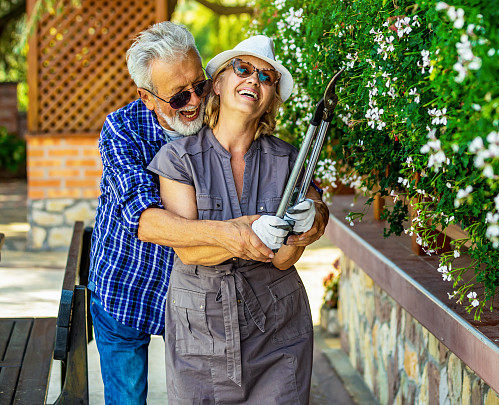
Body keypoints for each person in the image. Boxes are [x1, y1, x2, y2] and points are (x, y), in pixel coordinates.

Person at [90, 23, 326, 404]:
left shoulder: (224, 131)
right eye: (179, 96)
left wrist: (314, 219)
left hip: (195, 302)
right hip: (128, 283)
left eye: (199, 86)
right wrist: (237, 234)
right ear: (147, 98)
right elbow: (146, 222)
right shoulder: (123, 130)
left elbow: (301, 195)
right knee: (127, 399)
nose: (194, 103)